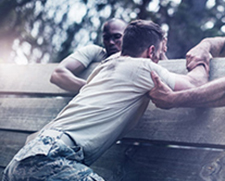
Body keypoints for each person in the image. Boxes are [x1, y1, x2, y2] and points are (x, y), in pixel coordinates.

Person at [2, 19, 208, 181]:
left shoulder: (106, 66)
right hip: (51, 160)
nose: (162, 60)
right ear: (151, 52)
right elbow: (195, 85)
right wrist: (202, 59)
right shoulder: (144, 68)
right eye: (161, 53)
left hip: (25, 159)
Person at [50, 18, 127, 93]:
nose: (111, 42)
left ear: (128, 36)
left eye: (117, 36)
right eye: (106, 38)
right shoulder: (94, 52)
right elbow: (57, 75)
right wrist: (93, 89)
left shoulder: (136, 61)